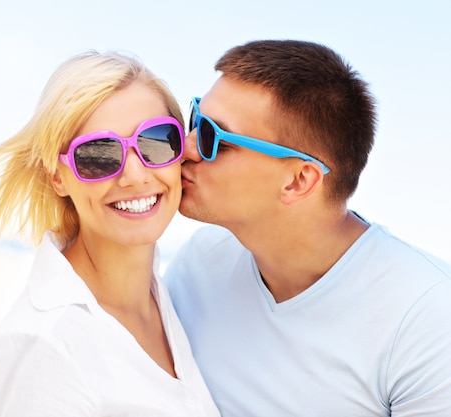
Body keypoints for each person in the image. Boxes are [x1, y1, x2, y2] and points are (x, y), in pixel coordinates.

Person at [164, 39, 451, 417]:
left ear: (299, 181)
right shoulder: (200, 261)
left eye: (212, 138)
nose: (184, 149)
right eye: (194, 121)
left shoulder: (428, 318)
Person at [0, 50, 220, 417]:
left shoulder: (168, 298)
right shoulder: (43, 347)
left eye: (156, 141)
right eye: (98, 155)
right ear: (57, 175)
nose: (135, 175)